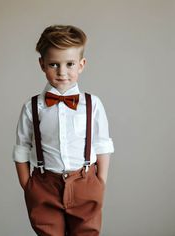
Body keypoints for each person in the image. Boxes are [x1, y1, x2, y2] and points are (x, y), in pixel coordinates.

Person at [12, 24, 114, 236]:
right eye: (54, 64)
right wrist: (28, 185)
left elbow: (102, 143)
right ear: (42, 64)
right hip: (44, 184)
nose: (62, 72)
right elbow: (22, 148)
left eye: (69, 64)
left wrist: (100, 182)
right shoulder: (32, 107)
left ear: (81, 64)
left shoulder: (92, 104)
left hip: (85, 181)